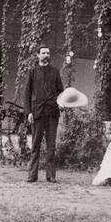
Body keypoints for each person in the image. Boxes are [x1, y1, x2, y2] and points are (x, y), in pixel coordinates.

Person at [23, 44, 64, 183]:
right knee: (35, 144)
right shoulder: (32, 72)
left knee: (51, 145)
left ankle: (50, 175)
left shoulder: (55, 72)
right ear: (38, 55)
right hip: (37, 113)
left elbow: (61, 92)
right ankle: (32, 175)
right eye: (43, 53)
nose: (46, 55)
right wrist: (28, 112)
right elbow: (27, 94)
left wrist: (62, 103)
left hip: (52, 112)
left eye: (48, 53)